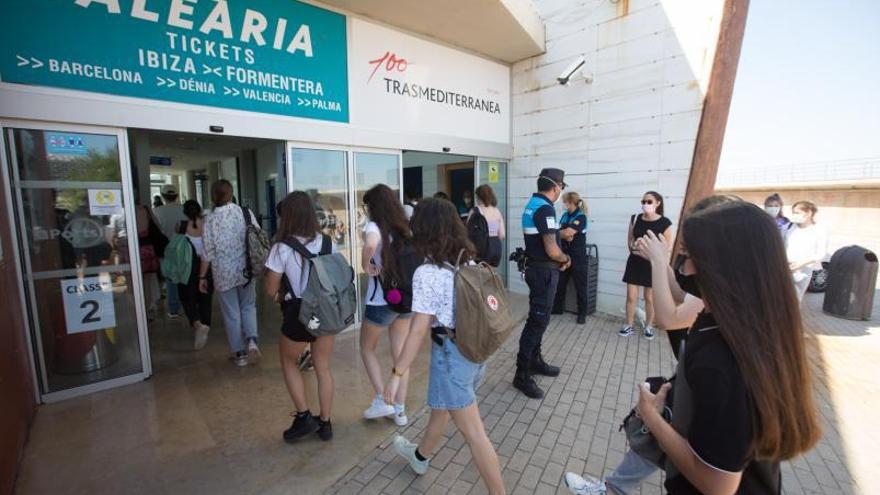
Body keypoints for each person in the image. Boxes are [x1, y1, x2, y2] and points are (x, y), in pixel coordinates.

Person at [564, 198, 821, 495]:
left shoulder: (722, 360)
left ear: (722, 268)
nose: (682, 266)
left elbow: (717, 485)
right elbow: (681, 291)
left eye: (688, 256)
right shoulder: (741, 321)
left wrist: (652, 419)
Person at [383, 198, 506, 495]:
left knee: (475, 434)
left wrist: (397, 373)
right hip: (473, 352)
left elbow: (417, 330)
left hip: (451, 356)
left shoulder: (428, 273)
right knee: (442, 408)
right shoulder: (467, 260)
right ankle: (420, 457)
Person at [264, 191, 337, 443]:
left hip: (299, 314)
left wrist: (279, 296)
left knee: (288, 361)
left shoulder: (281, 248)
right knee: (323, 367)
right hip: (326, 313)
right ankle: (325, 423)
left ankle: (304, 417)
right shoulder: (328, 242)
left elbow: (270, 289)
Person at [360, 184, 414, 426]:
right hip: (404, 298)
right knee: (400, 355)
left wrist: (366, 264)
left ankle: (383, 400)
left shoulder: (374, 226)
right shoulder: (404, 226)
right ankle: (400, 411)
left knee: (367, 348)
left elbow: (371, 244)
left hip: (381, 300)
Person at [514, 168, 570, 399]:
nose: (561, 192)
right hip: (544, 273)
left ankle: (535, 361)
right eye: (562, 187)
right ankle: (522, 375)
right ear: (556, 187)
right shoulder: (545, 208)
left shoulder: (533, 204)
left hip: (537, 270)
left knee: (539, 320)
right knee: (537, 322)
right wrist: (566, 258)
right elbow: (552, 249)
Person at [199, 180, 261, 367]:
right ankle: (252, 341)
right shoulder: (244, 212)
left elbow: (207, 252)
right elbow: (257, 234)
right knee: (248, 306)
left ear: (213, 196)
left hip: (223, 274)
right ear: (231, 193)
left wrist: (202, 277)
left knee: (231, 313)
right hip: (246, 269)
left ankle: (240, 354)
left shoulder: (209, 219)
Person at [621, 191, 672, 340]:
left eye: (649, 201)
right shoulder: (635, 218)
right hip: (635, 262)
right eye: (643, 201)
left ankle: (649, 326)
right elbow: (630, 239)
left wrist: (654, 257)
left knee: (649, 297)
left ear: (658, 203)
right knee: (631, 296)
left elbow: (667, 246)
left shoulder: (665, 222)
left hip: (652, 264)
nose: (645, 204)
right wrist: (635, 247)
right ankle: (628, 325)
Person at [176, 200, 212, 350]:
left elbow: (176, 245)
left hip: (187, 266)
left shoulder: (181, 226)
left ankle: (196, 324)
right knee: (205, 297)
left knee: (187, 296)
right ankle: (205, 324)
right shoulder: (207, 224)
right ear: (200, 210)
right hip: (207, 265)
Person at [553, 191, 590, 324]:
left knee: (581, 286)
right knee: (560, 283)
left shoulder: (581, 217)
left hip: (578, 258)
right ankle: (557, 308)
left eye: (565, 202)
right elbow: (559, 232)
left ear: (570, 203)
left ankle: (582, 314)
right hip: (564, 255)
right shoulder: (564, 216)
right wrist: (563, 234)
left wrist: (564, 233)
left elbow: (567, 233)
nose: (563, 204)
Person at [154, 184, 186, 319]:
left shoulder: (157, 211)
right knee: (185, 277)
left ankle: (173, 309)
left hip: (166, 249)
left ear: (163, 196)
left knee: (171, 280)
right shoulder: (184, 209)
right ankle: (188, 306)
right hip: (185, 248)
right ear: (177, 196)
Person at [786, 201, 827, 302]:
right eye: (794, 213)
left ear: (808, 213)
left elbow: (821, 253)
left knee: (795, 297)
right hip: (786, 266)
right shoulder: (790, 227)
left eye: (797, 212)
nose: (795, 215)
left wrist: (801, 263)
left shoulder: (819, 231)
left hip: (803, 269)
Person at [469, 184, 506, 267]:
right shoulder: (497, 211)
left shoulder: (475, 211)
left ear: (479, 197)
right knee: (491, 273)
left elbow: (469, 232)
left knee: (480, 275)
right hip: (496, 246)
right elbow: (502, 235)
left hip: (482, 246)